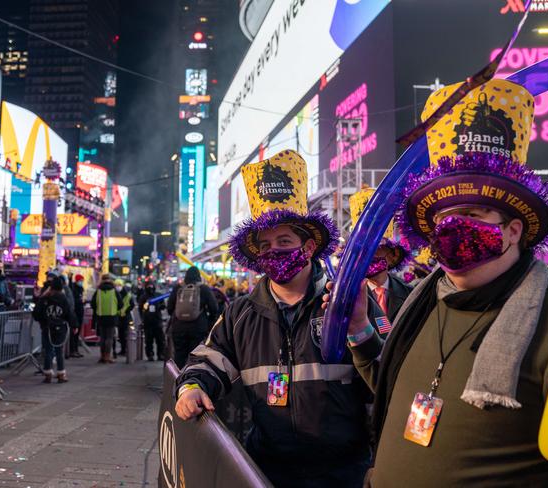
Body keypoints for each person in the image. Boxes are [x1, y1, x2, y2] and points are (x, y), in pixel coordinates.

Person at [328, 79, 548, 486]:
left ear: (513, 231)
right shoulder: (426, 302)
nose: (454, 228)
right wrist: (358, 330)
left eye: (473, 213)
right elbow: (400, 385)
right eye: (444, 217)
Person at [174, 150, 386, 488]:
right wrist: (192, 387)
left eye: (285, 241)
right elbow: (208, 360)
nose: (274, 250)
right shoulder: (241, 313)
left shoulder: (349, 303)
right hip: (266, 471)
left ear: (308, 246)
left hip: (344, 473)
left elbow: (386, 375)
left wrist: (360, 329)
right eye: (266, 244)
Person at [350, 188, 412, 327]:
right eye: (363, 250)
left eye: (376, 249)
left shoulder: (410, 294)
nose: (369, 256)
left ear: (391, 256)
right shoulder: (348, 295)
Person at [167, 267, 219, 368]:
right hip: (198, 328)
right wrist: (209, 322)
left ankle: (179, 379)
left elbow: (169, 308)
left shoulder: (178, 288)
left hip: (179, 328)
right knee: (196, 356)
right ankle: (192, 379)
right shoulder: (204, 289)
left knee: (179, 355)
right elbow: (214, 308)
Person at [33, 275, 76, 383]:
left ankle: (47, 374)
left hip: (47, 328)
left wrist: (43, 322)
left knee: (48, 351)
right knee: (59, 351)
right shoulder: (63, 299)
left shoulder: (44, 298)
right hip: (60, 327)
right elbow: (69, 313)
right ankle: (61, 374)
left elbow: (37, 313)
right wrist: (74, 325)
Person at [90, 274, 122, 364]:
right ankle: (108, 356)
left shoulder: (98, 291)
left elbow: (93, 304)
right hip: (112, 317)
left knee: (102, 338)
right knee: (109, 338)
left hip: (100, 317)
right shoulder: (114, 291)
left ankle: (102, 356)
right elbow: (121, 304)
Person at [138, 282, 165, 361]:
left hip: (157, 320)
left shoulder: (158, 295)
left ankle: (160, 354)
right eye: (148, 286)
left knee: (160, 339)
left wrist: (161, 306)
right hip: (148, 321)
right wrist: (143, 318)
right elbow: (140, 308)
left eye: (151, 286)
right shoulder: (143, 297)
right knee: (148, 340)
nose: (150, 288)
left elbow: (163, 305)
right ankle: (150, 354)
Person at [116, 279, 134, 357]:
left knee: (126, 334)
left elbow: (132, 304)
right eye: (116, 285)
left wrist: (126, 311)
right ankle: (123, 350)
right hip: (118, 317)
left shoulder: (128, 295)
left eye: (119, 285)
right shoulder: (115, 293)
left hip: (126, 317)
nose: (118, 287)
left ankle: (127, 350)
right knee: (120, 335)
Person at [69, 274, 85, 358]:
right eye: (81, 280)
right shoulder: (74, 288)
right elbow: (74, 301)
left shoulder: (80, 289)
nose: (82, 282)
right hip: (75, 313)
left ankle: (75, 350)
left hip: (80, 312)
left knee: (77, 333)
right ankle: (73, 350)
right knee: (74, 333)